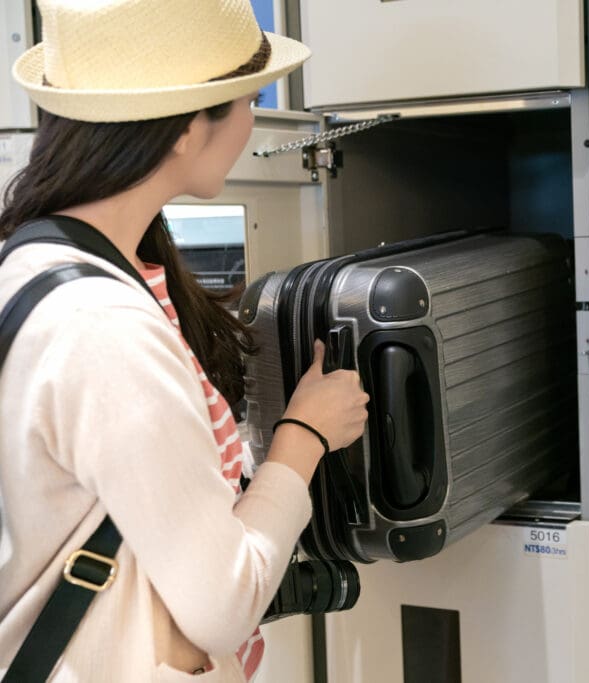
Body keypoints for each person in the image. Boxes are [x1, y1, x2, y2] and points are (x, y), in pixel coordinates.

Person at [0, 0, 370, 680]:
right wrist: (304, 436)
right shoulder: (103, 329)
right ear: (183, 129)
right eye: (246, 97)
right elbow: (221, 605)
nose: (254, 119)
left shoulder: (34, 262)